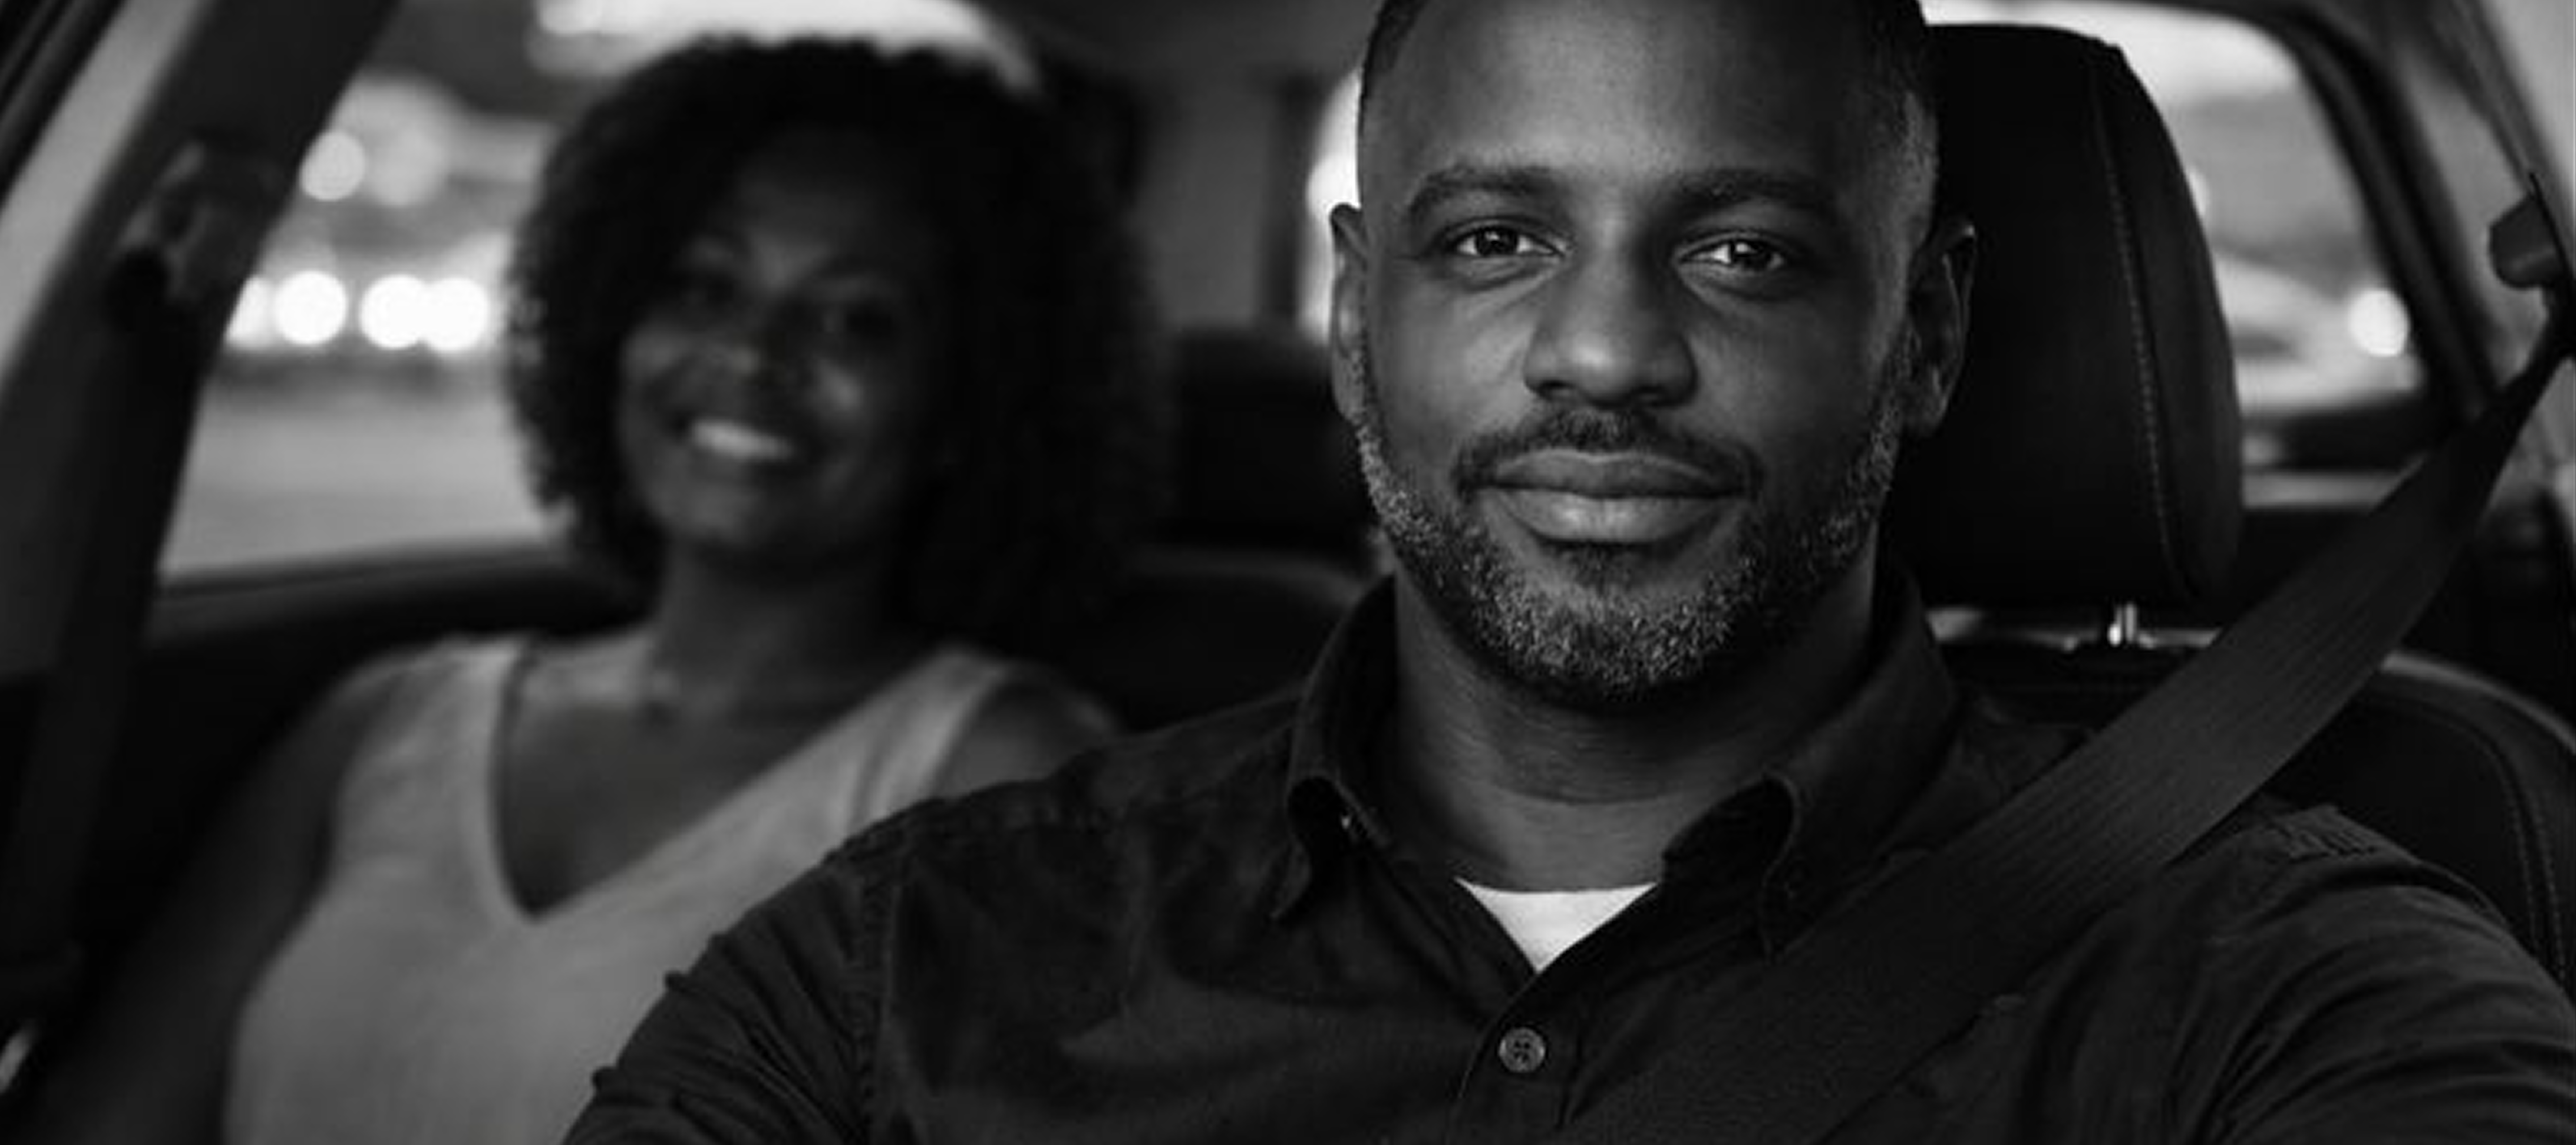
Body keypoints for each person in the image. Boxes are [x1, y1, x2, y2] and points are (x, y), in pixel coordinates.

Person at [567, 1, 2576, 1141]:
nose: (1605, 354)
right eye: (1494, 242)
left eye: (1744, 252)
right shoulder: (902, 970)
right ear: (1355, 316)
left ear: (1928, 333)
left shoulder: (2276, 990)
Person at [17, 36, 1158, 1145]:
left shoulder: (1004, 775)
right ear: (613, 323)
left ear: (967, 395)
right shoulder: (384, 720)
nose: (753, 353)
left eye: (856, 318)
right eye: (703, 287)